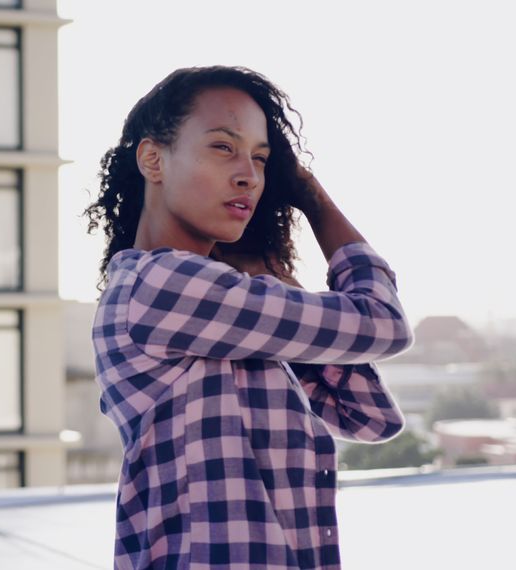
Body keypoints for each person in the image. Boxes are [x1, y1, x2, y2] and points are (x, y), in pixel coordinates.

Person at [84, 66, 414, 569]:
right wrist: (311, 196)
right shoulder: (159, 287)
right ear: (153, 159)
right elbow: (382, 325)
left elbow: (369, 416)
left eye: (261, 160)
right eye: (223, 147)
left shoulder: (231, 312)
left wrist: (271, 275)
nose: (249, 176)